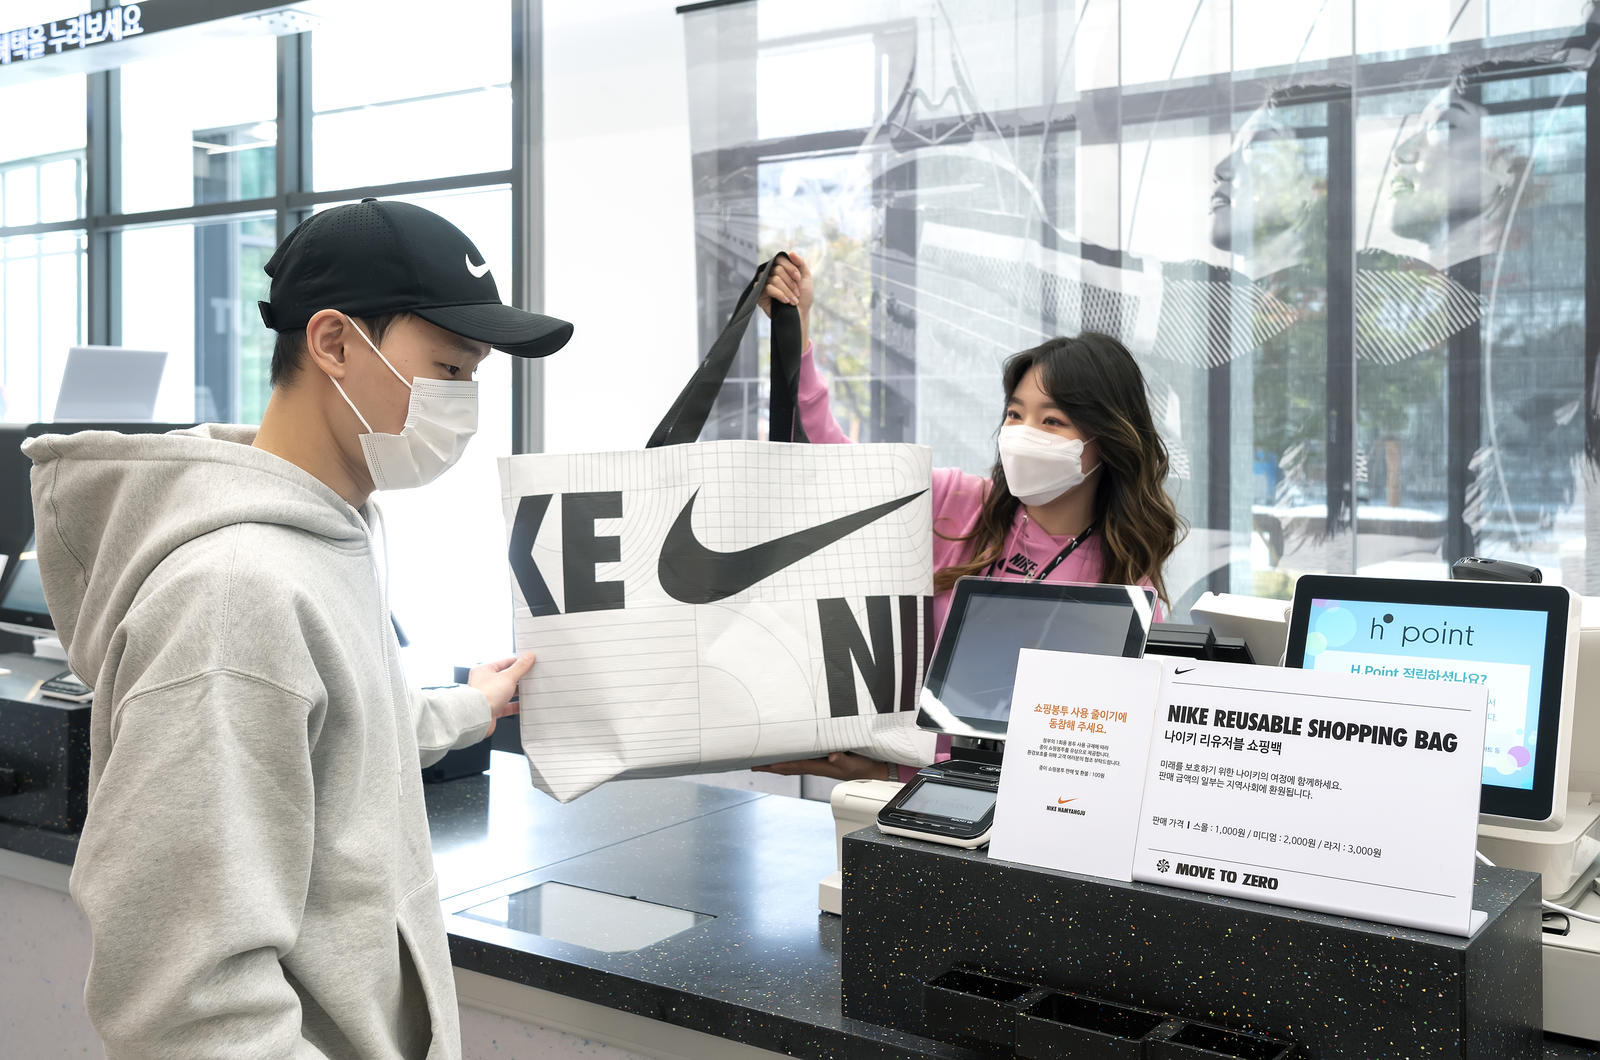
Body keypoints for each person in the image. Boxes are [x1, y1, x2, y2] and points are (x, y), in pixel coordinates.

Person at [24, 198, 573, 1058]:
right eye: (448, 368)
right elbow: (185, 1001)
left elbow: (338, 725)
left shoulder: (327, 534)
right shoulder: (233, 595)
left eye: (473, 378)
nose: (463, 404)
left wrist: (472, 705)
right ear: (334, 344)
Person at [752, 252, 1182, 782]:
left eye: (1052, 421)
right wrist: (796, 328)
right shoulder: (958, 504)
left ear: (1107, 441)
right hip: (895, 799)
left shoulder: (1126, 591)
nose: (1022, 434)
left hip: (1007, 818)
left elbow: (1082, 764)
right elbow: (833, 462)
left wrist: (895, 772)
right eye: (1015, 414)